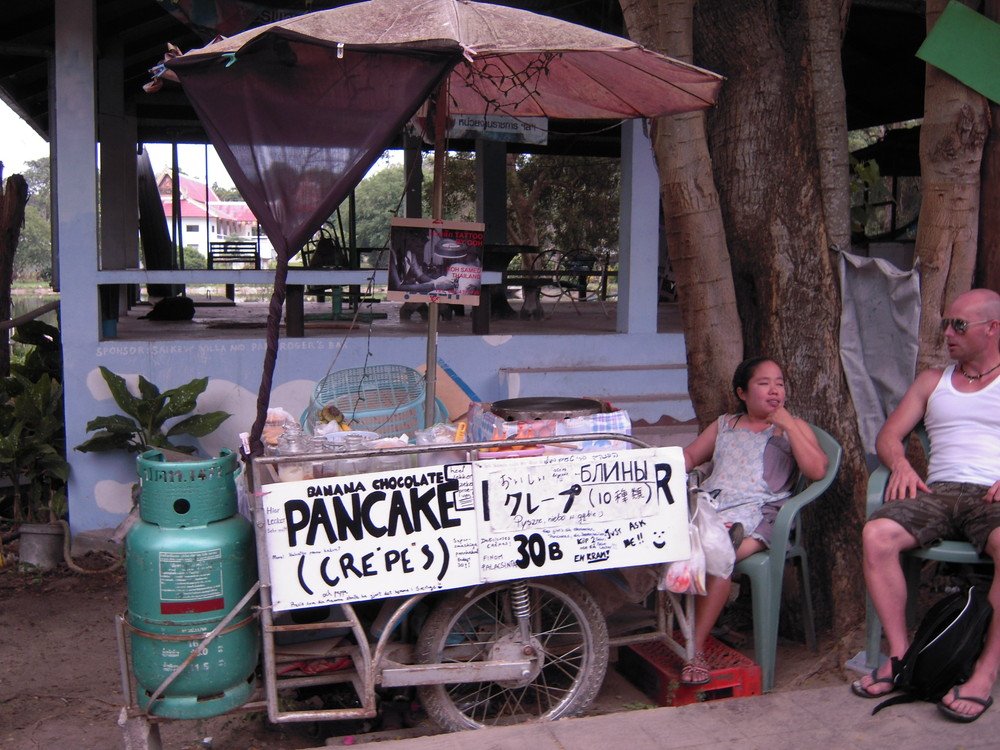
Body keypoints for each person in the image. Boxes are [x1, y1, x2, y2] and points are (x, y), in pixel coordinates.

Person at [853, 288, 1000, 722]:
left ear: (992, 328)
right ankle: (902, 658)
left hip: (991, 495)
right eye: (946, 324)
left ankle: (984, 672)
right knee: (877, 535)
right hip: (938, 493)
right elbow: (889, 435)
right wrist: (899, 464)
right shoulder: (932, 381)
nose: (948, 333)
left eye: (959, 325)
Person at [680, 357, 828, 685]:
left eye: (779, 383)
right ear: (742, 393)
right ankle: (682, 627)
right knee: (679, 545)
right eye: (763, 383)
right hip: (712, 508)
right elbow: (691, 455)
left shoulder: (791, 428)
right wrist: (664, 463)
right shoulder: (725, 424)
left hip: (758, 516)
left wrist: (790, 427)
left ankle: (695, 649)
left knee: (721, 556)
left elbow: (817, 470)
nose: (774, 390)